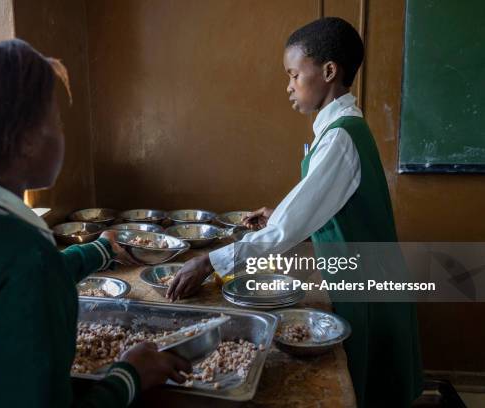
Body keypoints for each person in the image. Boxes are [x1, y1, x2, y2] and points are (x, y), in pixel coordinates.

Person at [0, 38, 190, 407]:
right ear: (26, 139)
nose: (61, 133)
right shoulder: (27, 260)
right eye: (56, 121)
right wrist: (128, 376)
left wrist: (100, 250)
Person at [167, 17, 422, 407]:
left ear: (328, 71)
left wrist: (209, 262)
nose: (288, 86)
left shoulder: (340, 138)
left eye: (293, 74)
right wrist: (280, 212)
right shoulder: (341, 128)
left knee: (367, 388)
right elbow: (320, 202)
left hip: (365, 287)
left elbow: (288, 229)